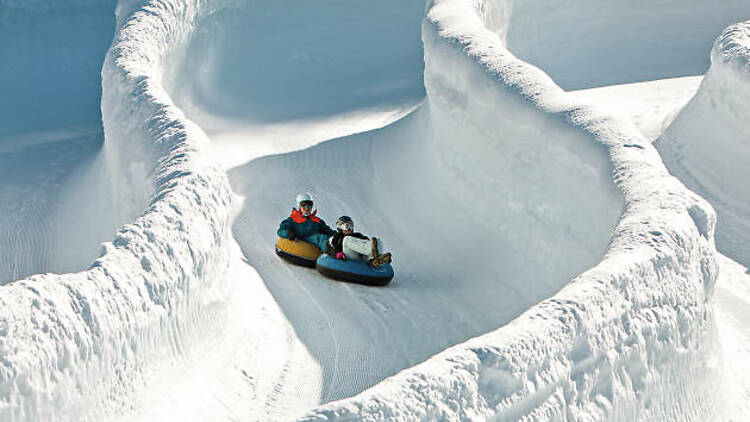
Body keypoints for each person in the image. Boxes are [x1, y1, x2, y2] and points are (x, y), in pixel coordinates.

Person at [326, 215, 392, 268]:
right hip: (347, 257)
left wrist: (373, 244)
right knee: (347, 239)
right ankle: (373, 253)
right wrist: (336, 254)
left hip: (361, 258)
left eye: (351, 226)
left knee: (376, 241)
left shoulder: (357, 235)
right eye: (347, 226)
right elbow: (329, 249)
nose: (350, 229)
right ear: (340, 227)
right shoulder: (336, 238)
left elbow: (368, 243)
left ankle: (375, 260)